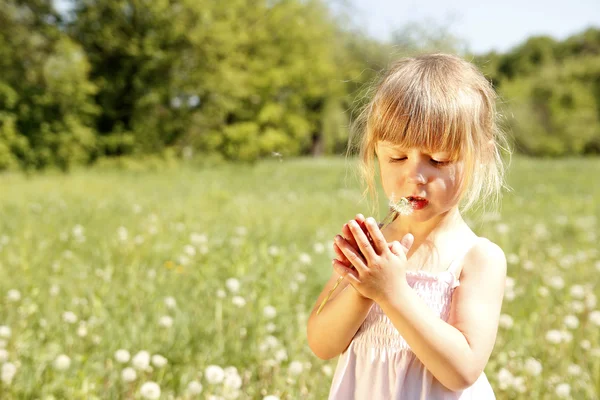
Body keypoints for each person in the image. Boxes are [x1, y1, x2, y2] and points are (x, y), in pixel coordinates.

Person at [306, 53, 510, 399]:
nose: (414, 176)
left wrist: (392, 292)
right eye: (397, 157)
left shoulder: (477, 258)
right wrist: (362, 288)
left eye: (439, 160)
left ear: (483, 155)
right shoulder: (373, 248)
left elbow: (461, 371)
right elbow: (322, 344)